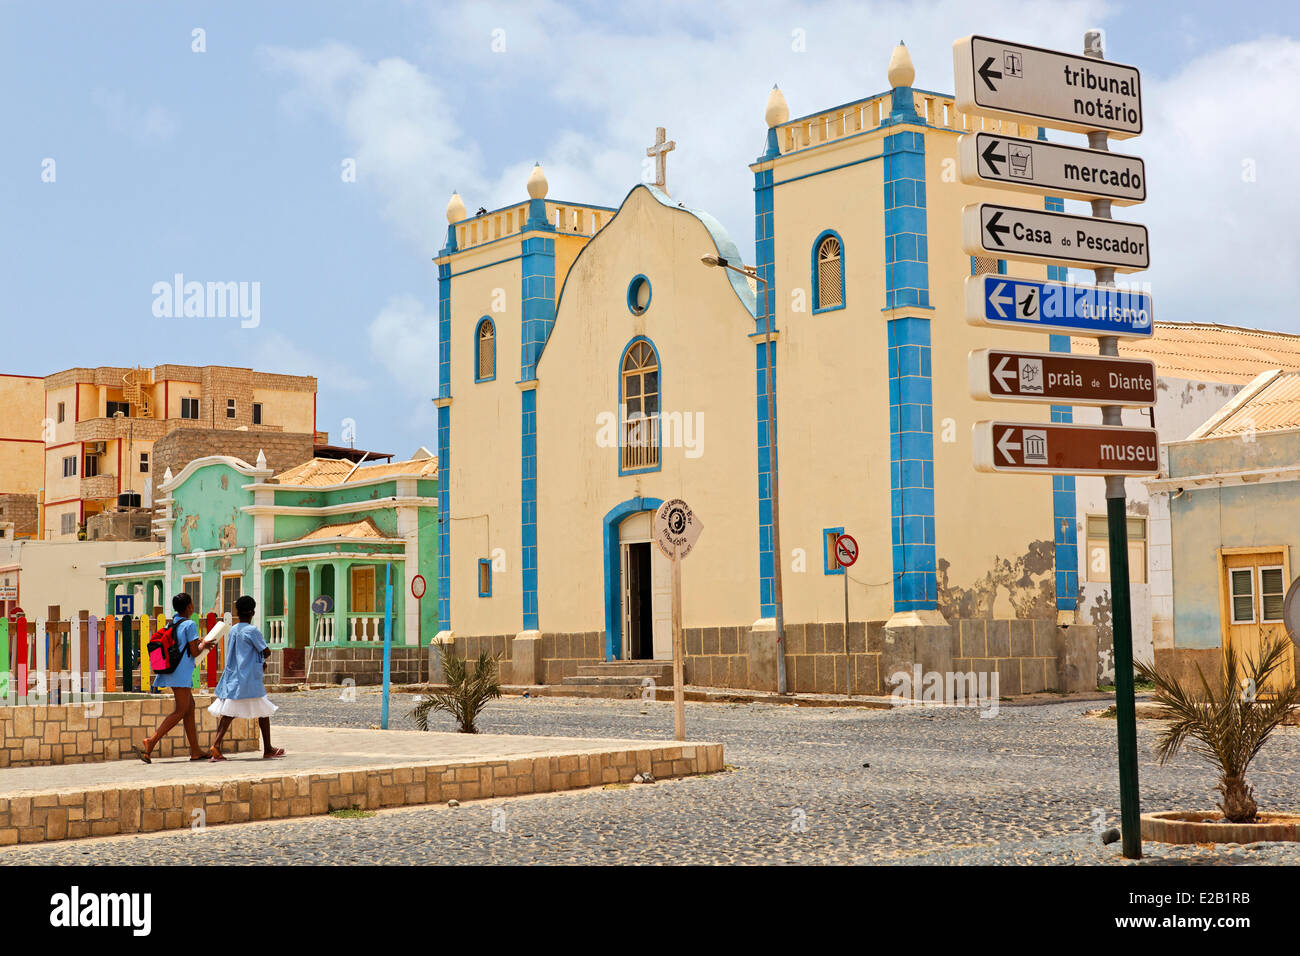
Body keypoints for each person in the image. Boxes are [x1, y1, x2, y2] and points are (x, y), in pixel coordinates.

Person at [134, 592, 216, 763]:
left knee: (189, 707)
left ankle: (195, 751)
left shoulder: (173, 623)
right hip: (181, 672)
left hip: (172, 670)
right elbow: (194, 651)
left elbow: (187, 645)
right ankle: (151, 742)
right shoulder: (190, 624)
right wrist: (205, 644)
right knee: (180, 710)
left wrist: (199, 643)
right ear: (190, 607)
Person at [208, 594, 284, 760]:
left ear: (237, 612)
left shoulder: (233, 629)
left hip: (234, 677)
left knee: (228, 712)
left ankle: (217, 745)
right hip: (249, 678)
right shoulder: (252, 630)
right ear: (252, 612)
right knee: (263, 713)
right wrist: (262, 659)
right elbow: (266, 651)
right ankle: (268, 749)